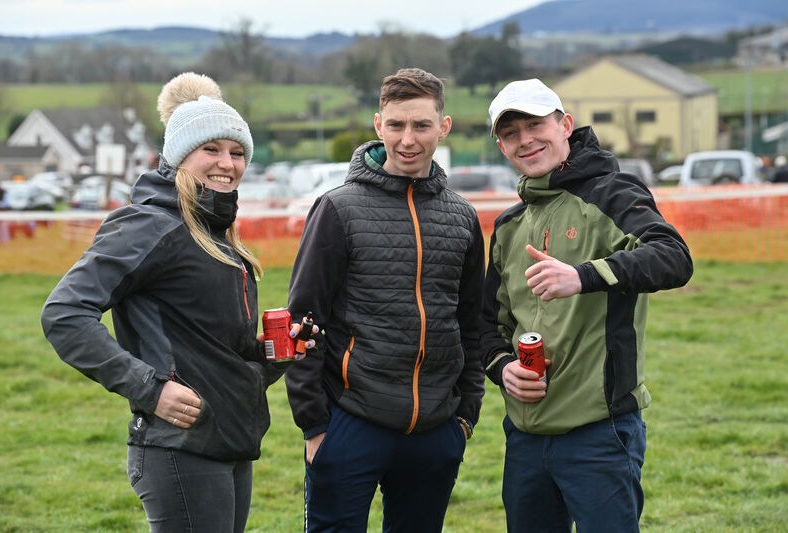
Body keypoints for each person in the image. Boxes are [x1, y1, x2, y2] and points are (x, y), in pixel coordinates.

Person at [40, 72, 314, 533]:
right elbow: (64, 313)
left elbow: (222, 357)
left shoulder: (217, 236)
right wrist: (149, 389)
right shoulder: (149, 226)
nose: (227, 162)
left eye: (237, 152)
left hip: (228, 443)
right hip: (179, 449)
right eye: (211, 149)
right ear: (179, 155)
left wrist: (279, 352)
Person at [480, 78, 694, 532]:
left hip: (600, 432)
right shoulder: (508, 225)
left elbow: (673, 257)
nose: (526, 140)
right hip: (525, 437)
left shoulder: (613, 193)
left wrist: (582, 275)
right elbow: (486, 326)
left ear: (565, 125)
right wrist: (503, 370)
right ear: (502, 146)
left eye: (536, 124)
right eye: (511, 133)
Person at [285, 67, 486, 532]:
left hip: (436, 430)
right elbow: (302, 322)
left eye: (421, 125)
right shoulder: (337, 208)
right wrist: (315, 426)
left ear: (444, 126)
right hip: (349, 424)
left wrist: (466, 415)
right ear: (379, 126)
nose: (408, 139)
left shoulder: (464, 217)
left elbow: (472, 322)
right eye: (396, 125)